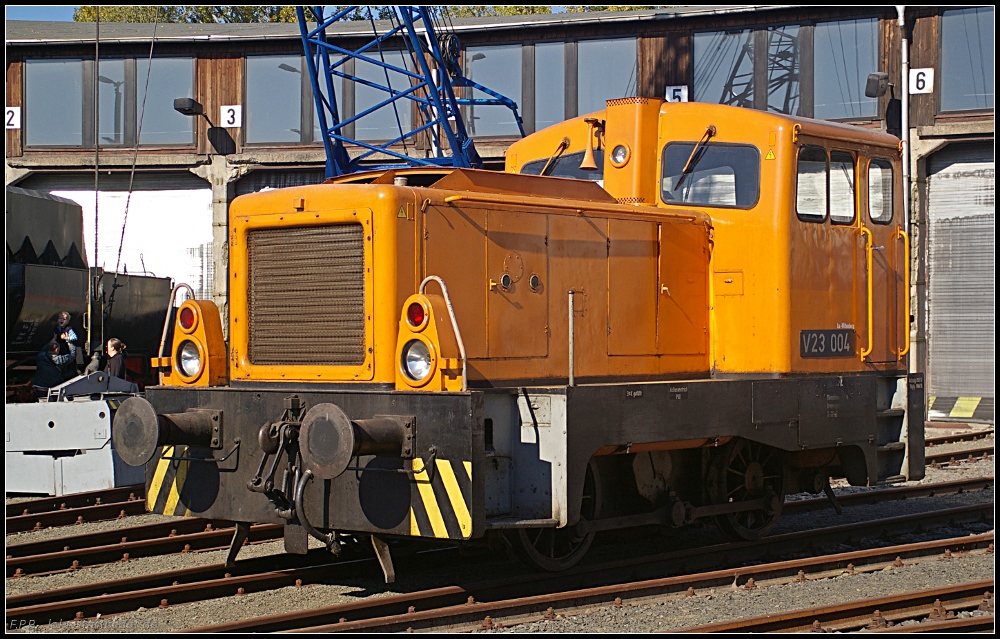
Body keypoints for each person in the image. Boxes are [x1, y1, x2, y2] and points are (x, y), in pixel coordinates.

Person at [52, 311, 79, 380]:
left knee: (68, 365)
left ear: (67, 321)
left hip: (67, 349)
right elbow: (55, 337)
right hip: (60, 349)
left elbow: (75, 337)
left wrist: (66, 338)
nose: (62, 320)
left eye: (64, 319)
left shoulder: (68, 329)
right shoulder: (56, 328)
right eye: (60, 318)